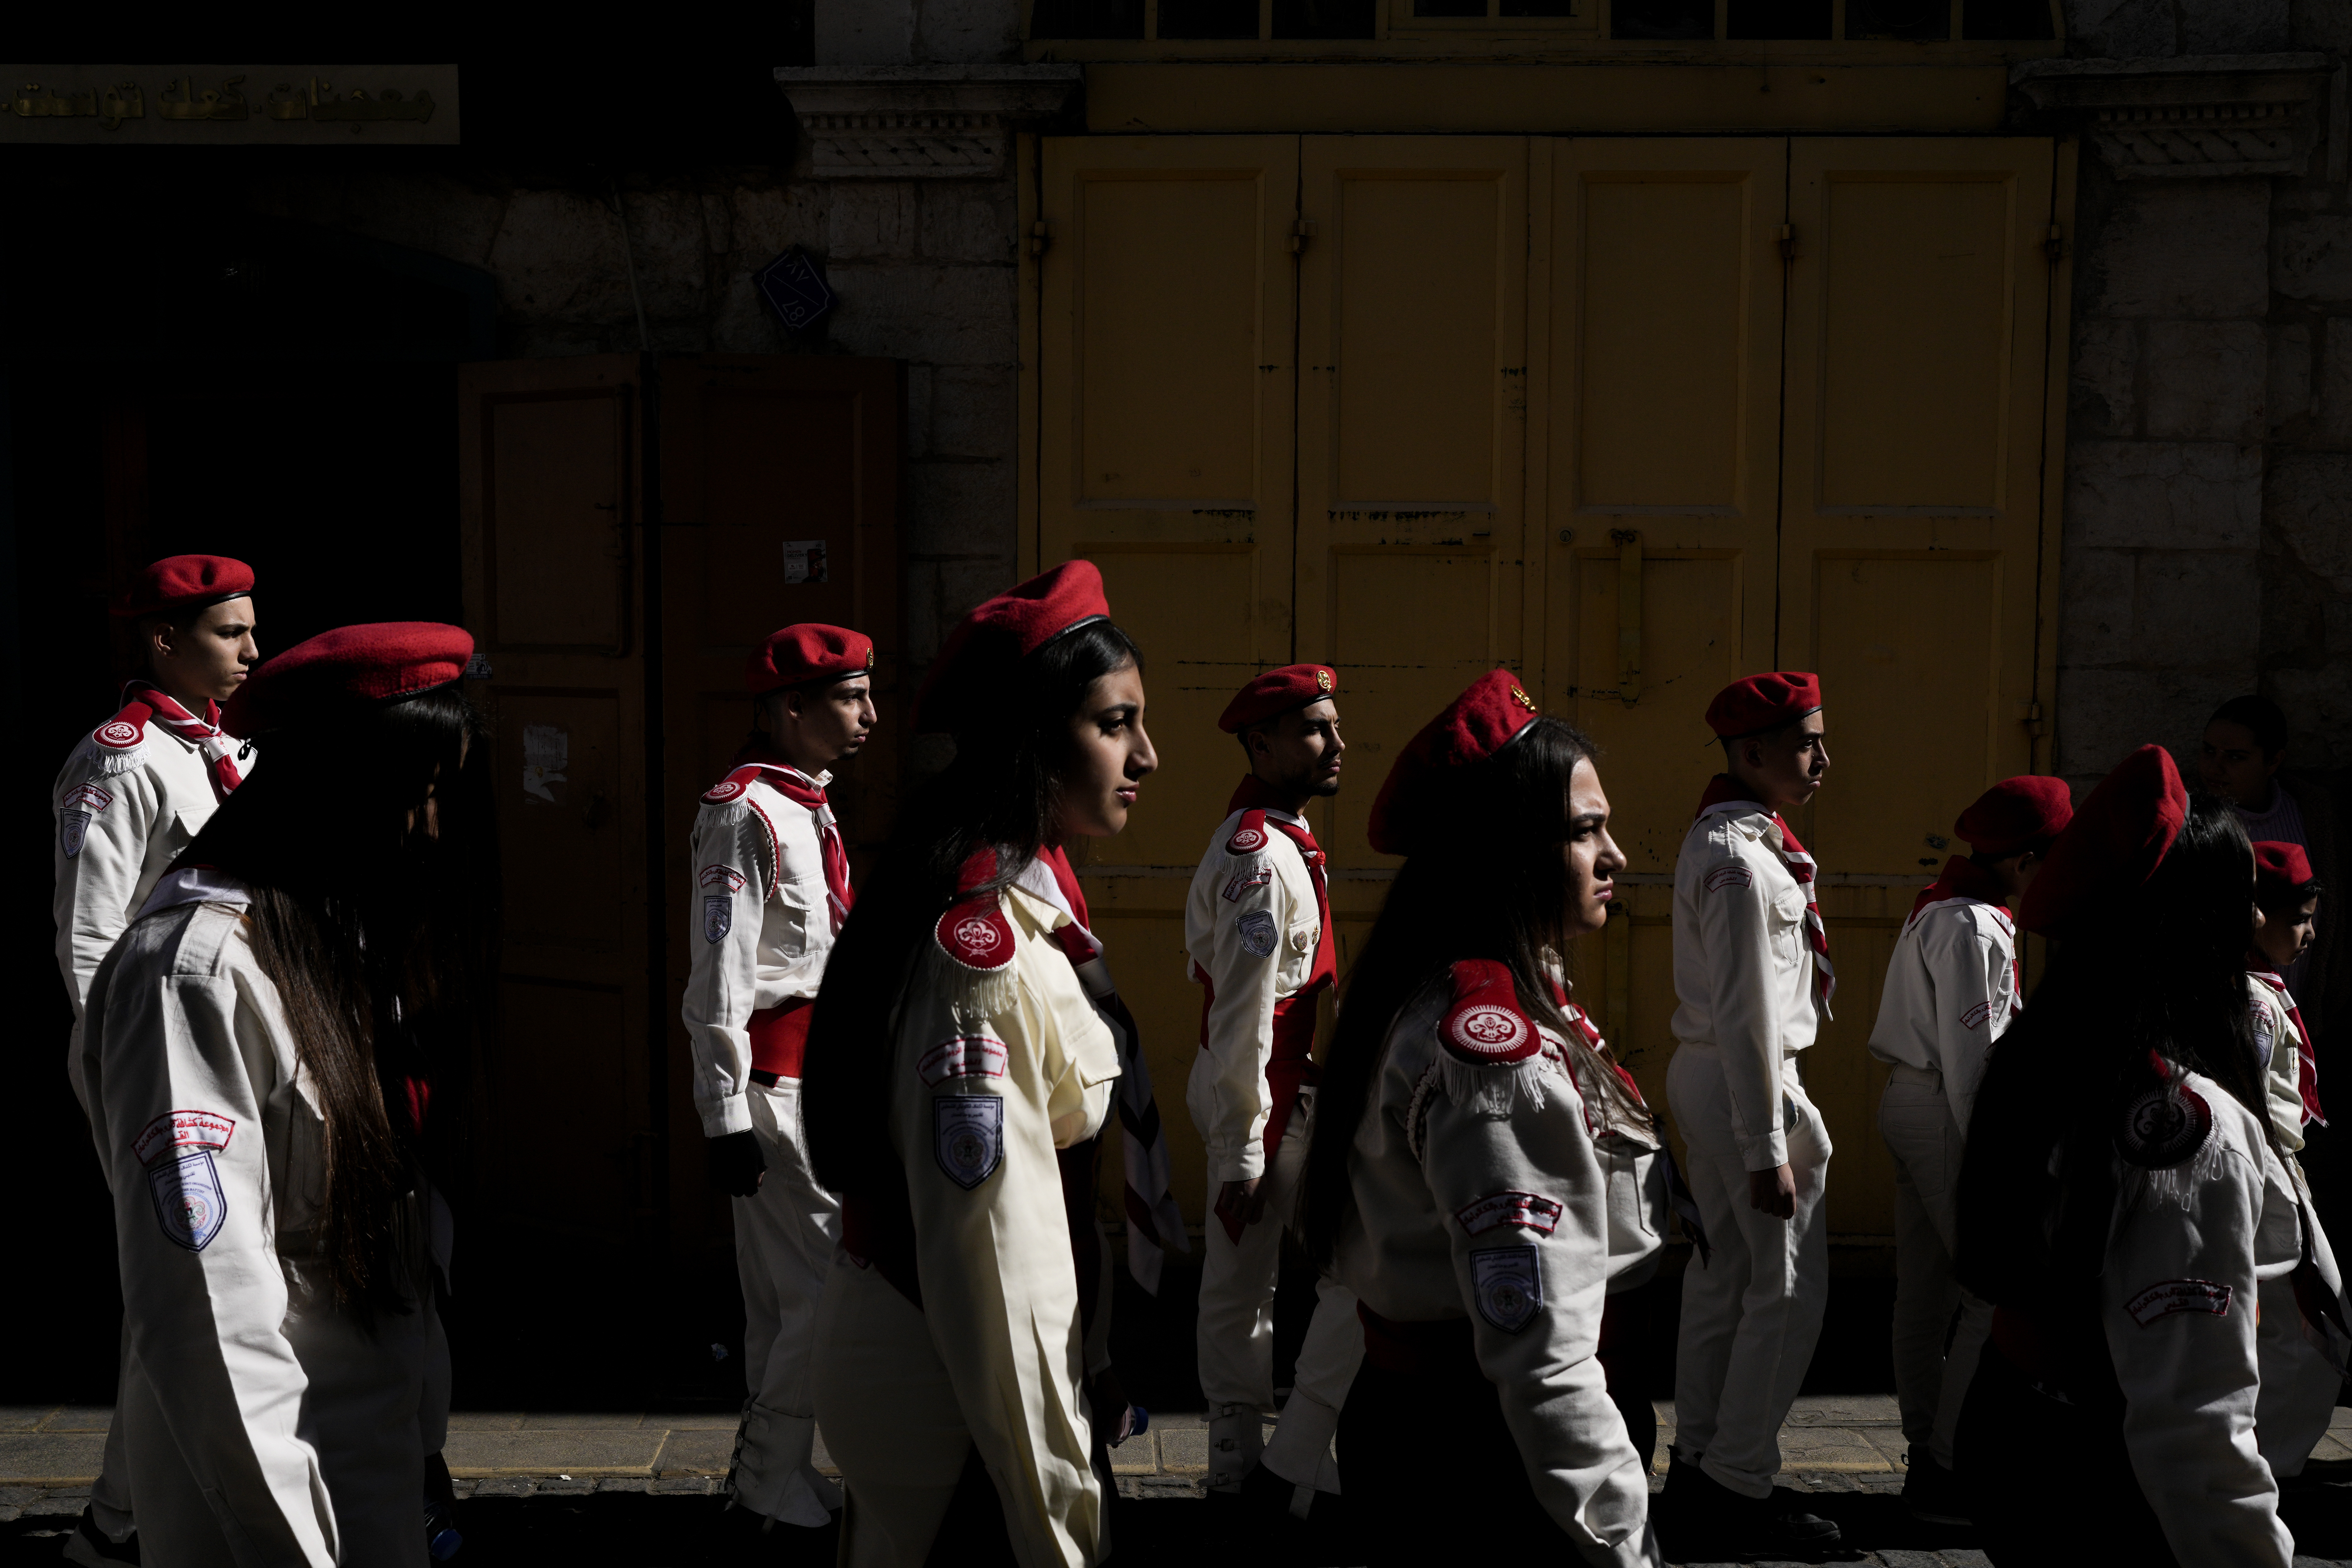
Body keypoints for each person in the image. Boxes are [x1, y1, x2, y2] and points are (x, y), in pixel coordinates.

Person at [74, 622, 492, 1567]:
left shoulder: (325, 936)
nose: (432, 827)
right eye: (418, 794)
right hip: (270, 1481)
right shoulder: (193, 974)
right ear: (339, 782)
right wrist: (288, 1541)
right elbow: (207, 1306)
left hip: (369, 1442)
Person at [802, 561, 1152, 1567]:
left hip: (959, 1377)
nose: (1147, 755)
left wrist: (1092, 1364)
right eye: (1113, 724)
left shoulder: (1028, 893)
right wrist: (1059, 1516)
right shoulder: (979, 954)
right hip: (956, 1390)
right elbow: (995, 1272)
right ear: (1034, 737)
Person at [1298, 668, 1666, 1565]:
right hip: (1488, 1461)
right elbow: (1539, 1354)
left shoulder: (1485, 997)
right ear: (1511, 849)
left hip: (1451, 1442)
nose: (1614, 855)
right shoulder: (1489, 1055)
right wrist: (1624, 1542)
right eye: (1584, 832)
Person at [1953, 745, 2309, 1564]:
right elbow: (2191, 1410)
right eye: (2239, 900)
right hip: (2105, 1480)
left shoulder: (2056, 1049)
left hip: (2022, 1438)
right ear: (2195, 921)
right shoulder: (2182, 1123)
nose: (2256, 924)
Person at [51, 553, 258, 1568]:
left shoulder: (232, 752)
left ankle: (129, 1509)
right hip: (151, 1056)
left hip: (225, 1044)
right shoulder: (119, 759)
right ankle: (119, 1515)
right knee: (171, 1278)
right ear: (163, 640)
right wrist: (110, 1073)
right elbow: (90, 933)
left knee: (192, 1279)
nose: (252, 650)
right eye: (230, 632)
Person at [683, 622, 876, 1532]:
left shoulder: (806, 803)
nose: (870, 714)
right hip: (771, 1082)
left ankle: (772, 1474)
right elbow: (719, 974)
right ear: (791, 709)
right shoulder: (744, 813)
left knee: (784, 1295)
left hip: (811, 1076)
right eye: (850, 697)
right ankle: (767, 1477)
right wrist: (722, 1113)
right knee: (820, 1290)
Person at [1658, 671, 1841, 1556]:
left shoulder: (1746, 842)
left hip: (1728, 1073)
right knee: (1786, 1288)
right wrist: (1766, 1139)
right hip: (1746, 1076)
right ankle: (1734, 1482)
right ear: (1752, 752)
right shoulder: (1734, 857)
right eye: (1806, 741)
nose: (1822, 757)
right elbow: (1744, 1008)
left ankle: (1701, 1462)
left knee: (1726, 1279)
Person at [1866, 774, 2071, 1525]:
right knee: (1989, 1290)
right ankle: (1946, 1466)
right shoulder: (1972, 924)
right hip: (1947, 1112)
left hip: (1913, 1101)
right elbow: (1971, 1059)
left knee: (1921, 1293)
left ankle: (1928, 1451)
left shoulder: (1944, 904)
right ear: (2025, 860)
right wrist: (2003, 1157)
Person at [1184, 662, 1362, 1517]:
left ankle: (1251, 1459)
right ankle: (1266, 1462)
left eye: (1333, 724)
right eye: (1314, 729)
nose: (1337, 744)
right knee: (1342, 1270)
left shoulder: (1278, 839)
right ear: (1261, 742)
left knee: (1252, 1273)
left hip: (1281, 1087)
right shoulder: (1259, 855)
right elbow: (1245, 1011)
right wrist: (1239, 1145)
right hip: (1266, 1088)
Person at [2244, 839, 2348, 1484]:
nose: (2309, 934)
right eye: (2298, 918)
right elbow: (2248, 1105)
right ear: (2255, 915)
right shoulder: (2250, 1000)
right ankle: (2263, 1478)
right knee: (2318, 1333)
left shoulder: (2256, 986)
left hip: (2272, 1171)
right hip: (2265, 1175)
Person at [2200, 694, 2339, 1043]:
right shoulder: (2196, 824)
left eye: (2235, 757)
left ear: (2274, 761)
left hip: (2299, 1019)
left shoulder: (2312, 816)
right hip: (2222, 1023)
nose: (2214, 767)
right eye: (2209, 751)